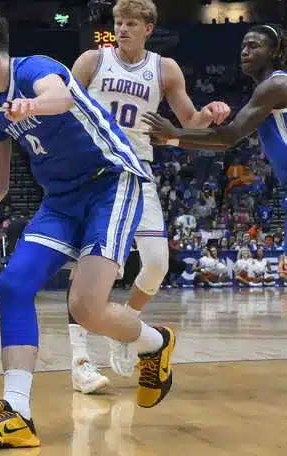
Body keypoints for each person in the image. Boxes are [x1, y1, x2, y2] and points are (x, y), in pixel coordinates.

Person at [0, 11, 176, 451]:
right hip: (61, 201)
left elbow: (61, 97)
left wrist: (32, 104)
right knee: (12, 286)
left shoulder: (35, 69)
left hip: (111, 183)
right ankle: (17, 413)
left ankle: (153, 341)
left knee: (86, 308)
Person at [66, 0, 231, 393]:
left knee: (157, 263)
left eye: (130, 24)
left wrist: (211, 112)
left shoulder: (165, 69)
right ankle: (80, 362)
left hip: (138, 170)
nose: (122, 29)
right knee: (86, 272)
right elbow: (63, 108)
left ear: (148, 29)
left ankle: (123, 327)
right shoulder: (92, 61)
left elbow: (190, 123)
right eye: (119, 22)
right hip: (94, 172)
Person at [144, 25, 287, 203]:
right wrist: (169, 139)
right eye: (243, 46)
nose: (244, 51)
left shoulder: (276, 85)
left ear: (273, 52)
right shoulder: (271, 89)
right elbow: (222, 145)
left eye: (253, 46)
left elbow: (228, 137)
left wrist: (173, 133)